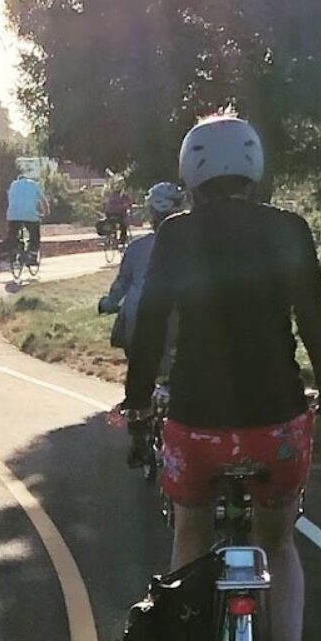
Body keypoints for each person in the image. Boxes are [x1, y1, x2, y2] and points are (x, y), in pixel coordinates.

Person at [122, 117, 321, 641]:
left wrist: (138, 400)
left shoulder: (175, 235)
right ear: (254, 167)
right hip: (276, 420)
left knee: (190, 536)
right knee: (277, 545)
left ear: (192, 172)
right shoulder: (289, 230)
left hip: (197, 423)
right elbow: (314, 320)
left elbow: (150, 326)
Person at [100, 181, 185, 466]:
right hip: (185, 322)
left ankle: (138, 436)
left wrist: (108, 304)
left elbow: (121, 286)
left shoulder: (137, 248)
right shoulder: (196, 246)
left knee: (138, 372)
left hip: (139, 322)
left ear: (151, 213)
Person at [6, 170, 45, 267]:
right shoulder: (34, 184)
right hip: (29, 215)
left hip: (12, 214)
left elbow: (10, 199)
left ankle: (13, 250)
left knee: (13, 232)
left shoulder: (13, 185)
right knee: (34, 233)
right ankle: (32, 254)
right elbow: (43, 200)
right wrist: (46, 212)